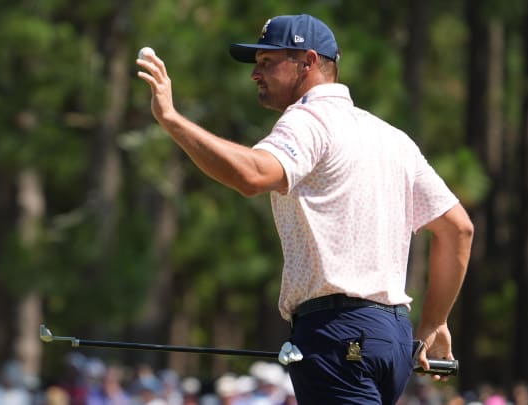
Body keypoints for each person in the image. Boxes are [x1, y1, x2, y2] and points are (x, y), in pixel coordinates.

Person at [136, 13, 473, 405]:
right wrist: (434, 322)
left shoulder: (308, 120)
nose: (255, 75)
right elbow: (458, 229)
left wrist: (172, 120)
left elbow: (251, 175)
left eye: (267, 62)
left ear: (308, 62)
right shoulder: (393, 138)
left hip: (337, 332)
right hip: (391, 337)